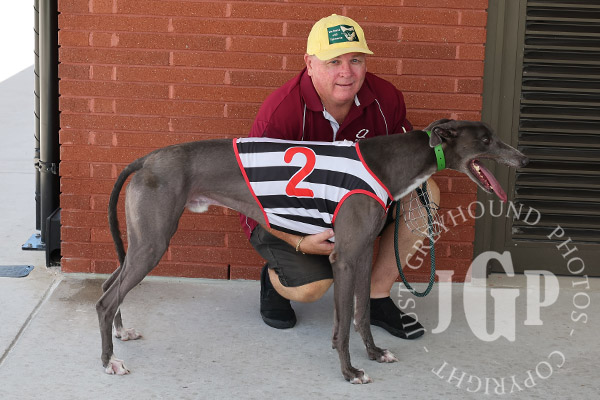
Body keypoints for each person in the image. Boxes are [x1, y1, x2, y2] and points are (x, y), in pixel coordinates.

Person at [239, 14, 440, 339]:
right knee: (311, 288)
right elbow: (251, 197)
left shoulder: (385, 97)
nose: (347, 72)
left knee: (424, 191)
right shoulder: (281, 113)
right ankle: (276, 280)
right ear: (310, 63)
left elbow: (405, 163)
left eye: (355, 60)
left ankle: (376, 296)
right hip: (290, 218)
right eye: (334, 61)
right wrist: (298, 241)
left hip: (352, 208)